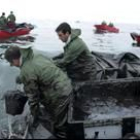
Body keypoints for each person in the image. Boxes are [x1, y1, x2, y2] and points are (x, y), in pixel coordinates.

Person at [4, 46, 73, 139]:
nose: (11, 65)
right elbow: (41, 69)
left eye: (11, 62)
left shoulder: (26, 71)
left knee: (59, 123)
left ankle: (61, 135)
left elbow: (33, 98)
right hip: (65, 82)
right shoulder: (35, 55)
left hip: (61, 92)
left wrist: (34, 115)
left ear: (15, 59)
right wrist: (21, 77)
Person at [54, 22, 97, 90]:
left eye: (60, 35)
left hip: (87, 72)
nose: (59, 38)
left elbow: (64, 61)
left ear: (67, 33)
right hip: (79, 66)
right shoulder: (71, 39)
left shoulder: (75, 45)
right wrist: (53, 59)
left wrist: (49, 63)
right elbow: (65, 54)